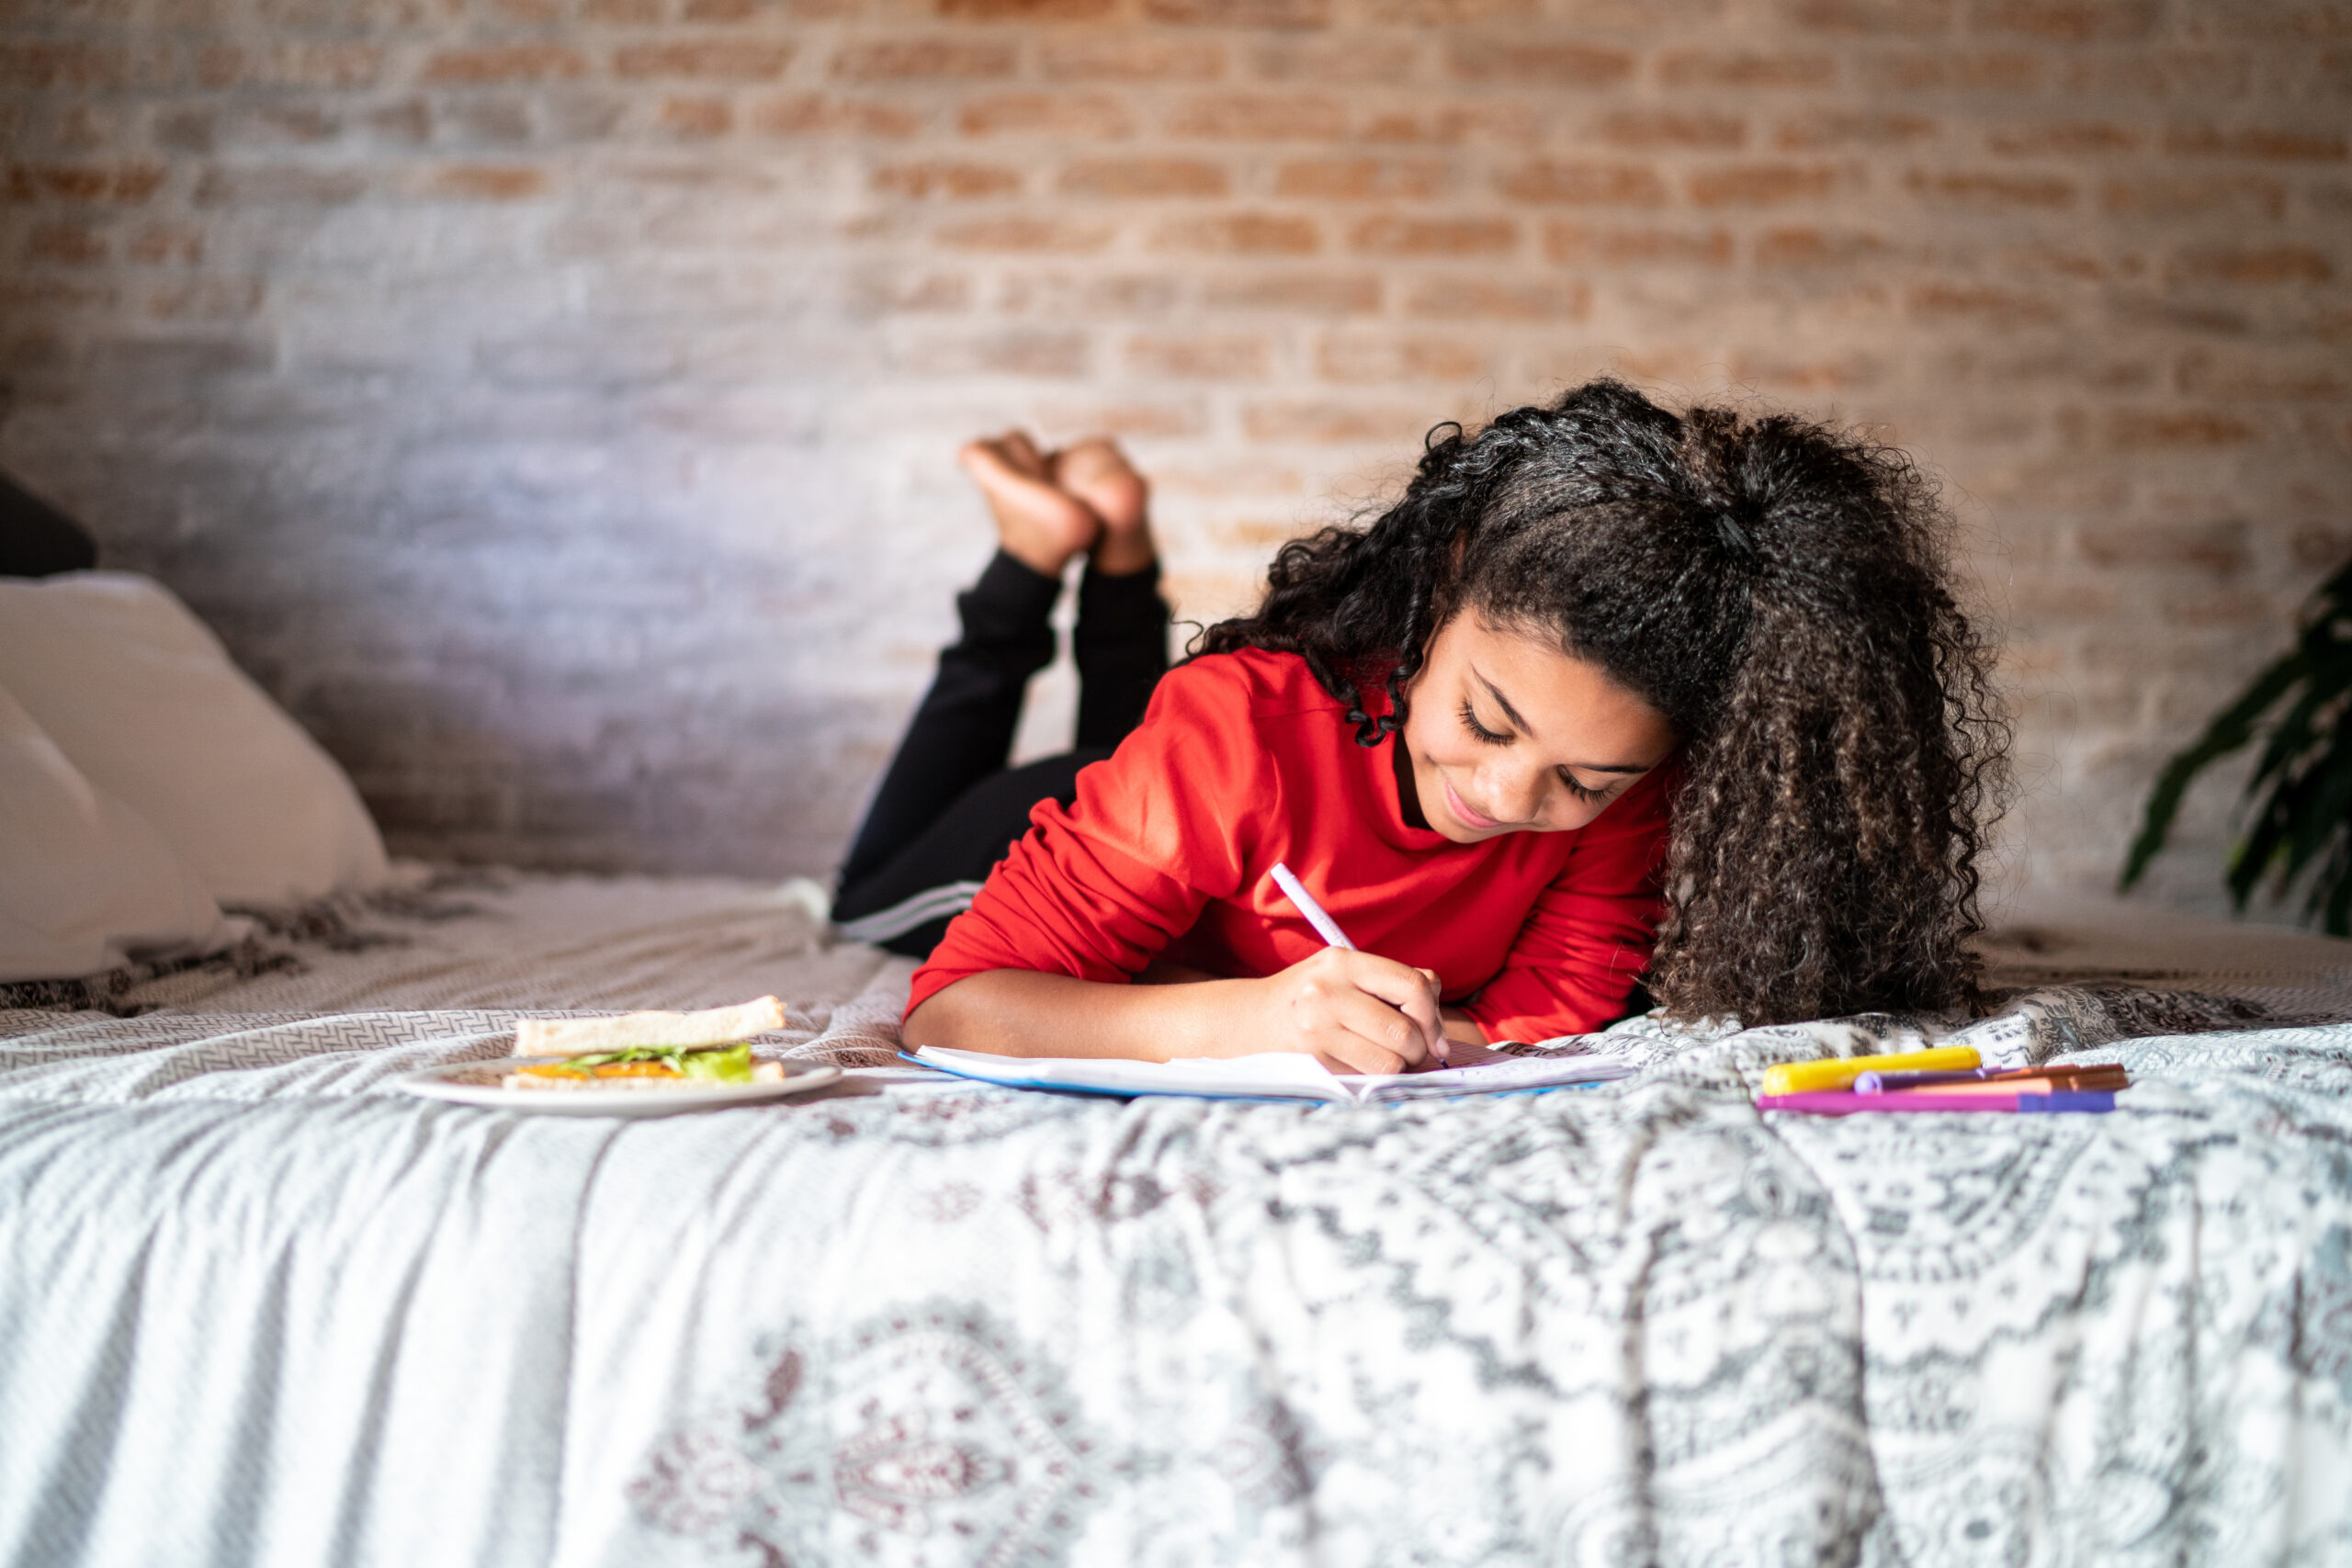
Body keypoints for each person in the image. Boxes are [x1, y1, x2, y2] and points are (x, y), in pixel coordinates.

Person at [842, 379, 2007, 1074]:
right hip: (1127, 806)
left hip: (1195, 812)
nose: (1508, 802)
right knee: (862, 897)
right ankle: (1033, 556)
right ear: (1438, 597)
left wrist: (1445, 1042)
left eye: (1583, 783)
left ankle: (1116, 537)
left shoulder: (1629, 782)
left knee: (1143, 749)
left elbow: (1538, 1011)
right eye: (1484, 721)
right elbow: (955, 1006)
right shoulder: (1235, 737)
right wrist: (1259, 1017)